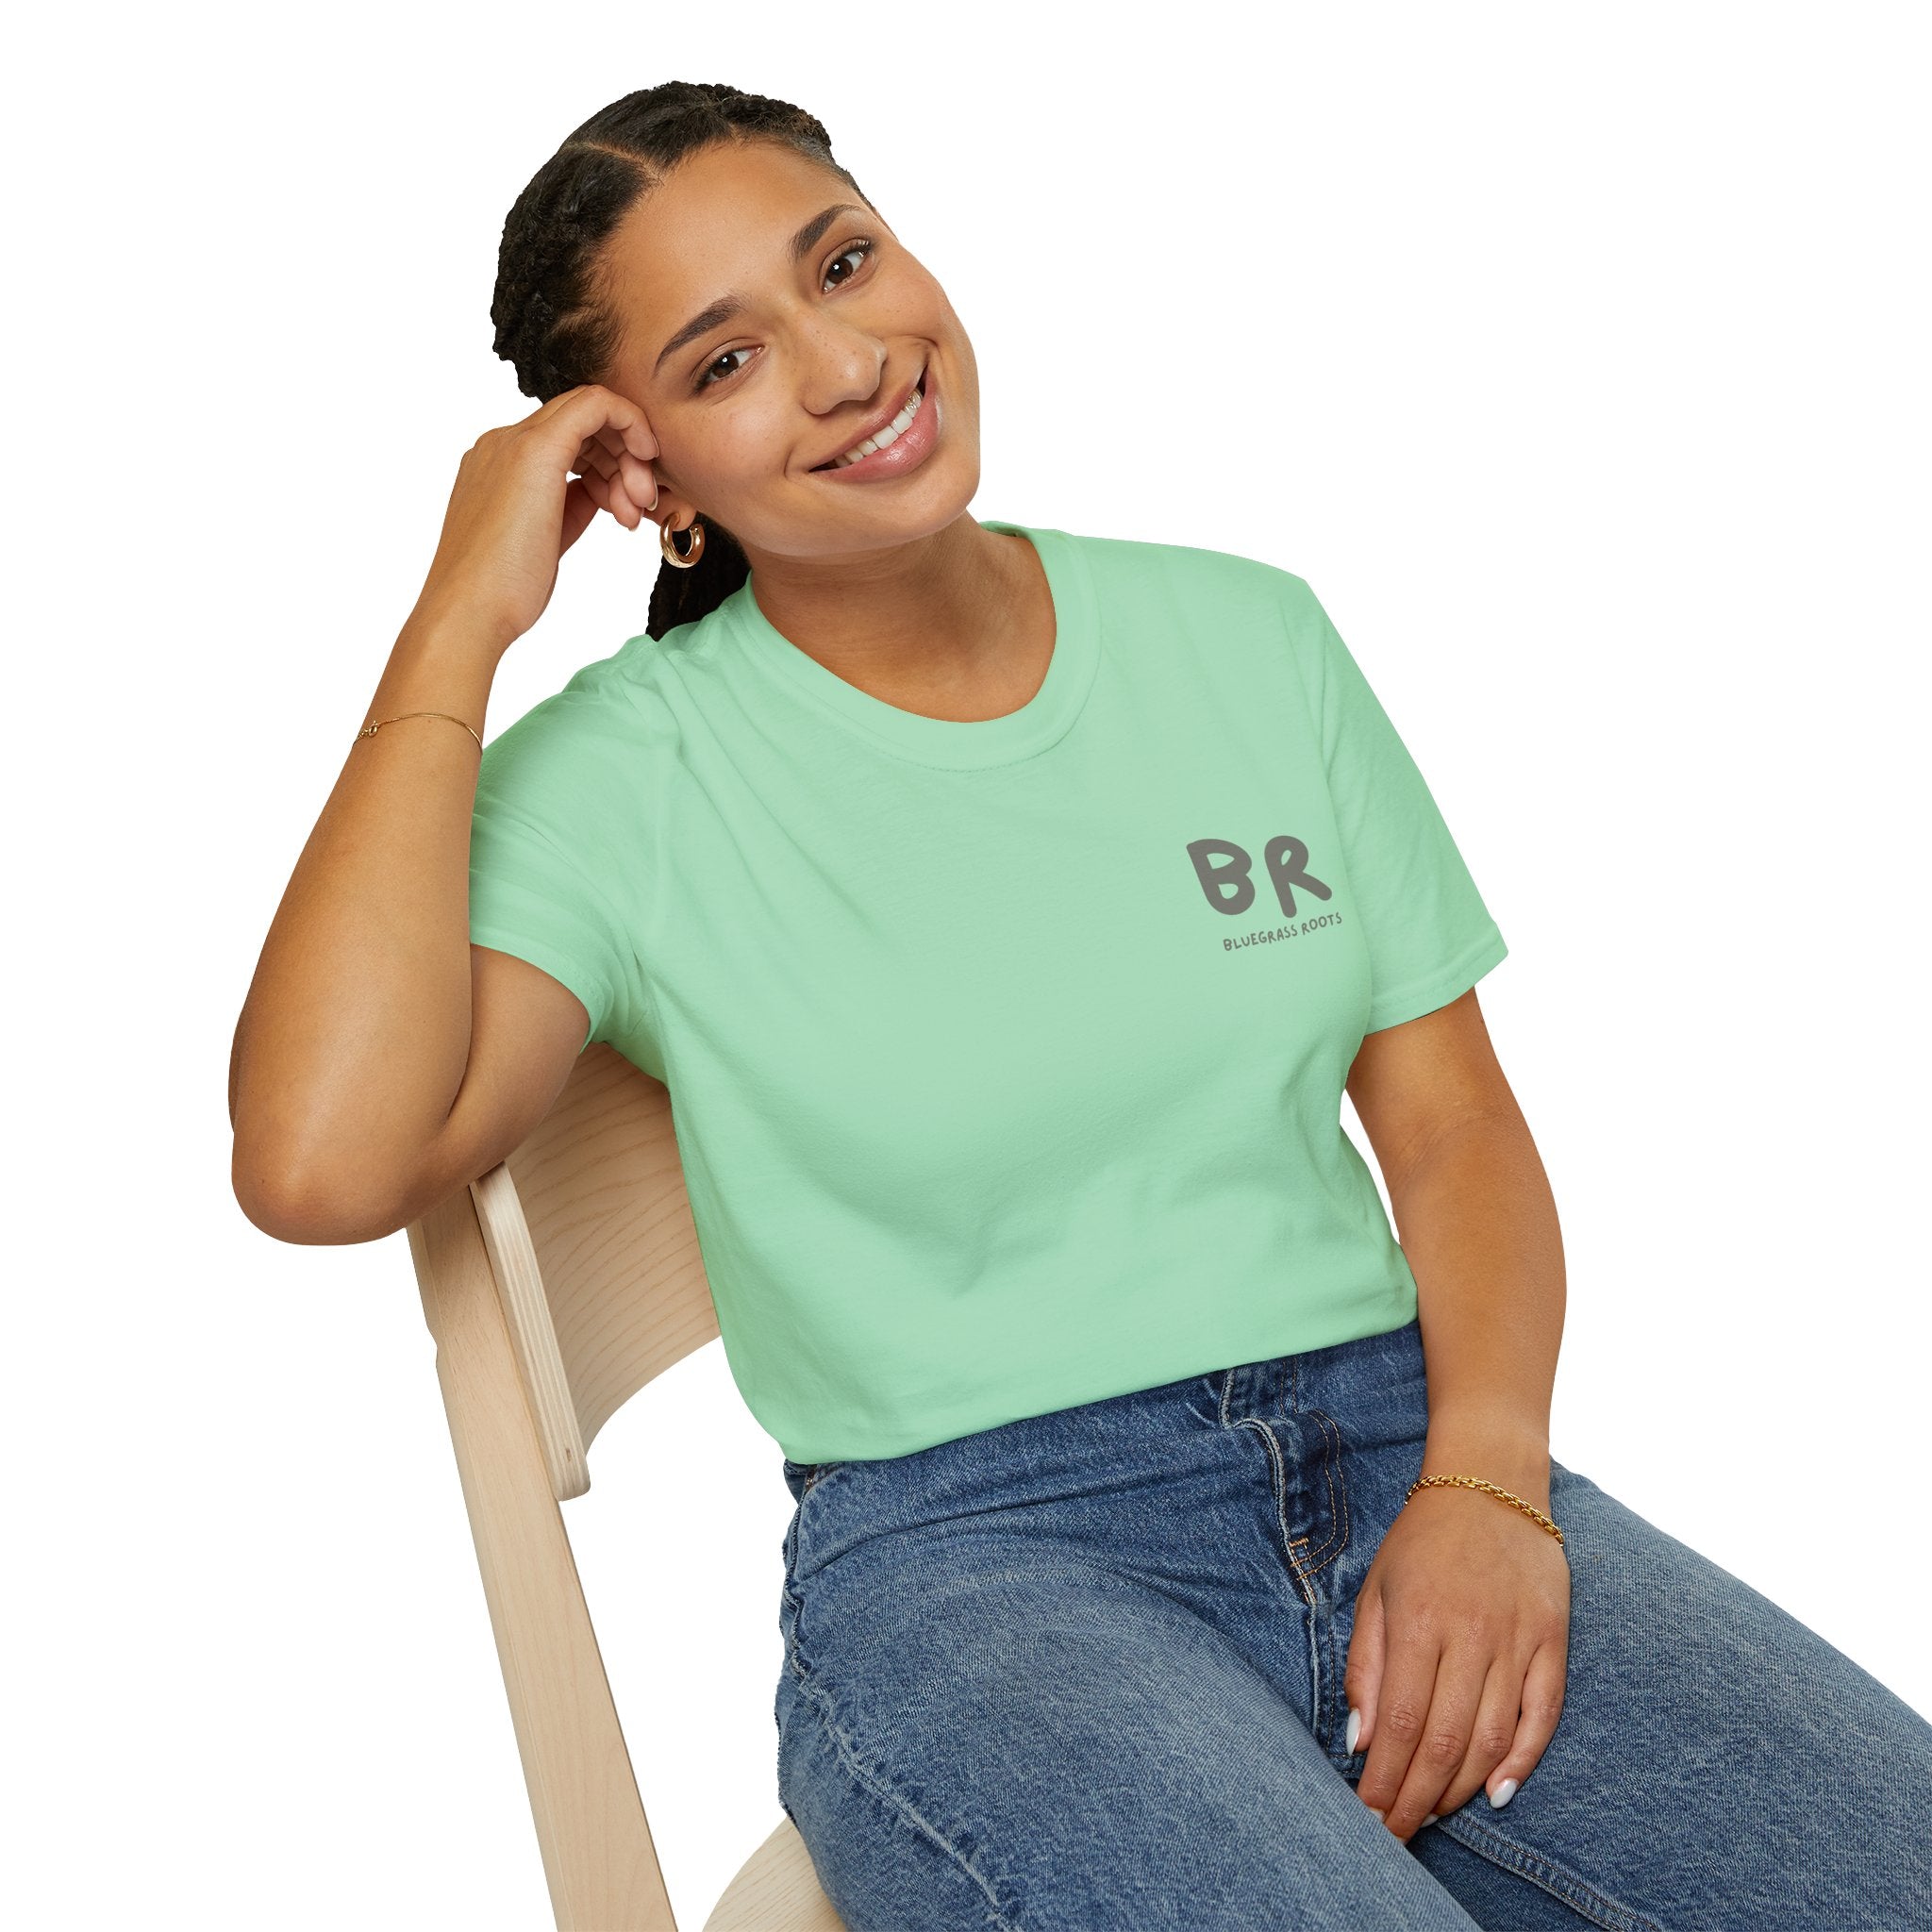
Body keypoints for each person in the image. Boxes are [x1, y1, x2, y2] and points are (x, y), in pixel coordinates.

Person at [229, 81, 1932, 1931]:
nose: (847, 362)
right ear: (646, 478)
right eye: (725, 362)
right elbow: (320, 1159)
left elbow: (1448, 1128)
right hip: (984, 1567)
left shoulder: (1247, 637)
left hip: (1403, 1449)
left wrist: (1489, 1485)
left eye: (846, 263)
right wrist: (456, 619)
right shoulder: (627, 776)